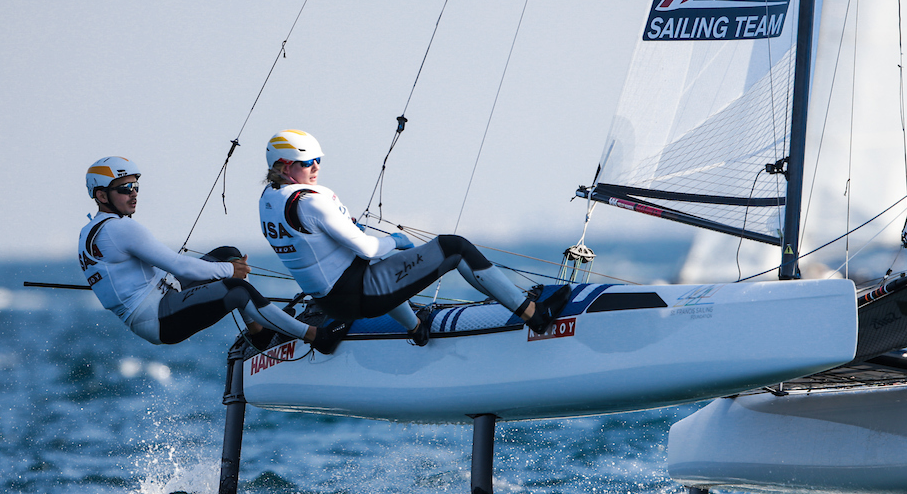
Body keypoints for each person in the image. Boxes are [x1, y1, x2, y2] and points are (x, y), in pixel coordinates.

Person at [258, 129, 570, 348]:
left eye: (318, 160)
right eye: (307, 163)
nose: (315, 167)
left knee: (387, 267)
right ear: (284, 167)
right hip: (359, 294)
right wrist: (397, 239)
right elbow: (368, 248)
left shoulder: (268, 200)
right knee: (454, 247)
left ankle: (418, 330)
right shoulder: (311, 201)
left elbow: (315, 245)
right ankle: (535, 315)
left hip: (331, 302)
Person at [79, 156, 347, 353]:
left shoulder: (92, 230)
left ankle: (260, 334)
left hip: (163, 296)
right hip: (157, 318)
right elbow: (179, 266)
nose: (133, 194)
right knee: (237, 289)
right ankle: (316, 337)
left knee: (227, 254)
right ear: (101, 195)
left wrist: (228, 265)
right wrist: (230, 271)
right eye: (124, 188)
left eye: (135, 186)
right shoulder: (119, 229)